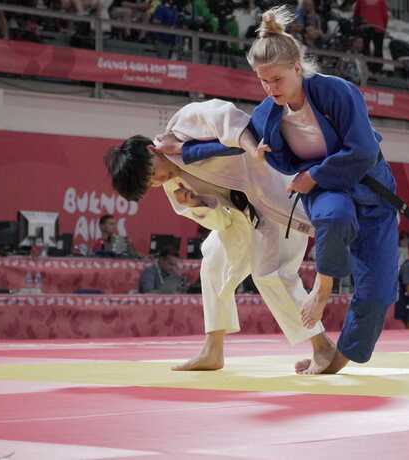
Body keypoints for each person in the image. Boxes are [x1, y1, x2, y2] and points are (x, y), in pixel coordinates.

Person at [180, 7, 401, 374]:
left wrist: (314, 174)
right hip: (327, 191)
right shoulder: (268, 115)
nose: (271, 88)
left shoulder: (336, 92)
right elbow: (232, 143)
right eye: (263, 81)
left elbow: (362, 150)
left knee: (378, 294)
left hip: (370, 190)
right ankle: (322, 290)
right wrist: (182, 150)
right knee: (333, 215)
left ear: (298, 68)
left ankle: (336, 359)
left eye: (277, 79)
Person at [105, 98, 335, 374]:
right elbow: (223, 223)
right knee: (213, 261)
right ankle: (213, 350)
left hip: (273, 190)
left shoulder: (184, 124)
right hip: (244, 218)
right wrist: (197, 204)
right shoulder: (174, 187)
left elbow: (229, 118)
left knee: (269, 274)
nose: (158, 180)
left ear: (151, 150)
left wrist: (250, 146)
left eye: (153, 172)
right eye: (150, 184)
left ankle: (322, 347)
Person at [354, 0, 389, 74]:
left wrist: (356, 26)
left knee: (365, 48)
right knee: (378, 49)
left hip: (365, 27)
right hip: (378, 27)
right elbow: (385, 15)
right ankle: (377, 70)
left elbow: (356, 13)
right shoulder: (381, 1)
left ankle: (368, 68)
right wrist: (384, 27)